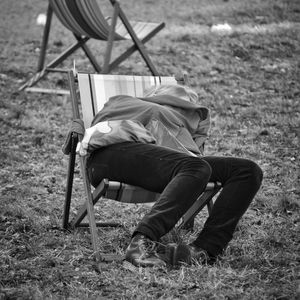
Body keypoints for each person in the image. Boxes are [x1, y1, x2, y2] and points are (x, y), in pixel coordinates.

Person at [82, 84, 263, 268]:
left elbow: (192, 155)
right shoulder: (123, 101)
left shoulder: (181, 133)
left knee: (247, 170)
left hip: (167, 163)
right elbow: (113, 123)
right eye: (181, 101)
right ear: (155, 95)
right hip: (113, 154)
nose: (187, 110)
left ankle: (203, 250)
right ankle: (141, 241)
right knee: (197, 166)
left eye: (191, 106)